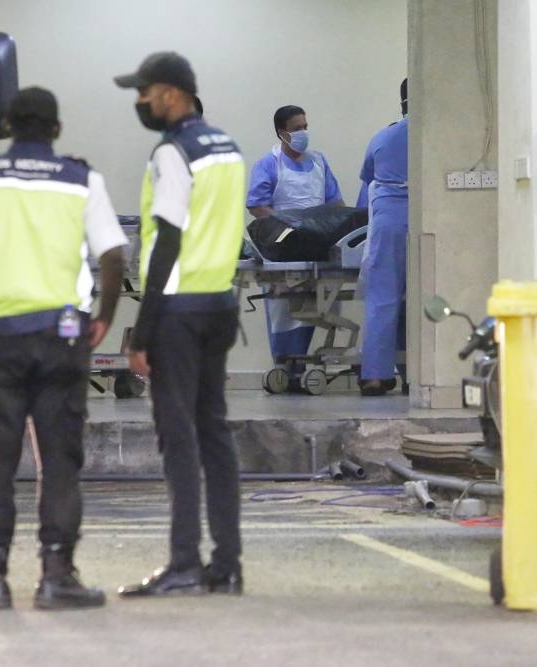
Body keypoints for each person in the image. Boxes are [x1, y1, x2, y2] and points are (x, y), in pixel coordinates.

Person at [0, 87, 126, 611]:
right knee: (60, 459)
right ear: (56, 129)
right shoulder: (82, 180)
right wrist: (102, 316)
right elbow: (113, 256)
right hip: (63, 338)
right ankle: (57, 575)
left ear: (8, 127)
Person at [114, 52, 245, 597]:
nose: (139, 102)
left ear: (171, 93)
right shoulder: (228, 148)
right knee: (214, 433)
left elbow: (166, 239)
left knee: (179, 440)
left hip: (178, 312)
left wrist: (141, 331)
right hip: (219, 303)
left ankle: (185, 563)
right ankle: (228, 565)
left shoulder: (174, 152)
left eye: (143, 92)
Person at [246, 105, 344, 388]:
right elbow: (256, 205)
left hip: (316, 244)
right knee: (284, 312)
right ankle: (286, 366)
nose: (303, 133)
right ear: (282, 133)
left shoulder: (319, 163)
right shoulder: (268, 164)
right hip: (284, 247)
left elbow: (335, 202)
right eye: (297, 128)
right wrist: (285, 226)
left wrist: (326, 227)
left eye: (305, 127)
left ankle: (302, 367)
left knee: (318, 307)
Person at [358, 78, 409, 396]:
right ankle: (418, 373)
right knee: (423, 300)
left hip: (388, 223)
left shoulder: (383, 137)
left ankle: (375, 375)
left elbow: (367, 185)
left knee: (383, 299)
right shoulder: (442, 133)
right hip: (431, 222)